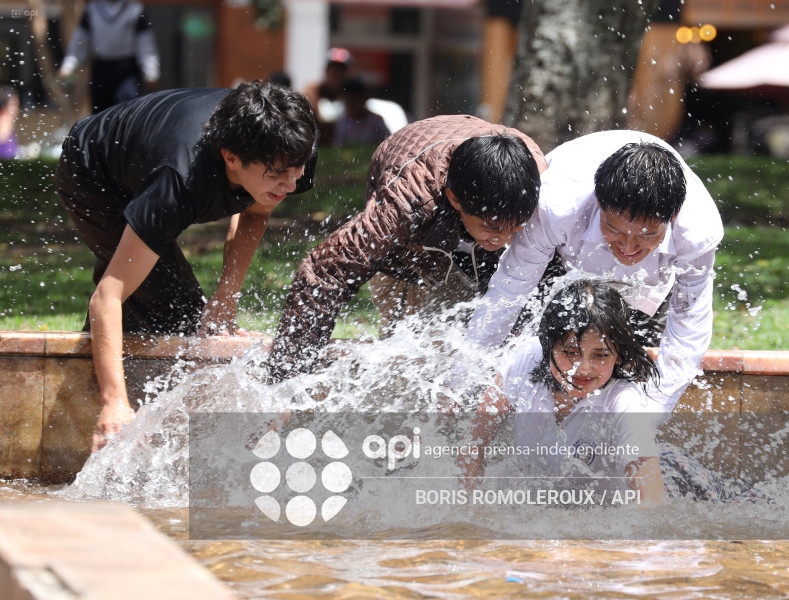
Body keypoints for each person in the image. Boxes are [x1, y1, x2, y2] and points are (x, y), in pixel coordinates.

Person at [56, 80, 317, 452]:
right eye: (277, 174)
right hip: (94, 171)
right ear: (230, 157)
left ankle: (94, 402)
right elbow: (107, 298)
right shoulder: (178, 180)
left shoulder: (290, 141)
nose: (290, 184)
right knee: (178, 310)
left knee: (169, 303)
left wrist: (227, 295)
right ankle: (109, 414)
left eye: (296, 171)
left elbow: (257, 210)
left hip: (149, 153)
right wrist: (114, 402)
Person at [264, 114, 547, 381]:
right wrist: (288, 377)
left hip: (465, 212)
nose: (505, 239)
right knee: (408, 360)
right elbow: (323, 274)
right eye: (492, 228)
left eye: (517, 227)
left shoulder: (543, 191)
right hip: (410, 254)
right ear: (455, 199)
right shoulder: (405, 205)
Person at [467, 130, 724, 419]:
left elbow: (689, 326)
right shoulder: (556, 206)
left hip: (650, 285)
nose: (628, 248)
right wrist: (464, 379)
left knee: (631, 365)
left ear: (673, 215)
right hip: (559, 260)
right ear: (599, 204)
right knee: (528, 350)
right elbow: (509, 290)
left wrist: (655, 411)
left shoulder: (698, 233)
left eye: (647, 235)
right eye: (614, 230)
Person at [463, 278, 767, 505]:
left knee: (751, 503)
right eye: (570, 351)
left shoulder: (623, 402)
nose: (583, 369)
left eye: (600, 355)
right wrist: (470, 508)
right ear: (548, 345)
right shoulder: (525, 358)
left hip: (676, 478)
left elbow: (651, 508)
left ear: (619, 355)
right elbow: (476, 439)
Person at [58, 0, 160, 113]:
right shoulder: (92, 9)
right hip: (102, 68)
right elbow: (80, 41)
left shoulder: (135, 9)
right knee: (100, 113)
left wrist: (151, 72)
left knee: (126, 108)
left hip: (127, 69)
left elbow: (145, 43)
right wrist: (68, 66)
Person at [302, 47, 353, 145]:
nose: (337, 73)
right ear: (326, 70)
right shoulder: (312, 92)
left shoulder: (350, 94)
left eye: (341, 70)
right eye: (333, 69)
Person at [333, 77, 390, 148]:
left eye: (355, 100)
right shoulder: (342, 123)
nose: (353, 104)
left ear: (364, 98)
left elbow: (388, 146)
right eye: (349, 101)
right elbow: (338, 149)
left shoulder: (376, 121)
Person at [0, 86, 20, 159]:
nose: (17, 108)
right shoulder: (4, 122)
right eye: (13, 104)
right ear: (4, 106)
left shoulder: (9, 124)